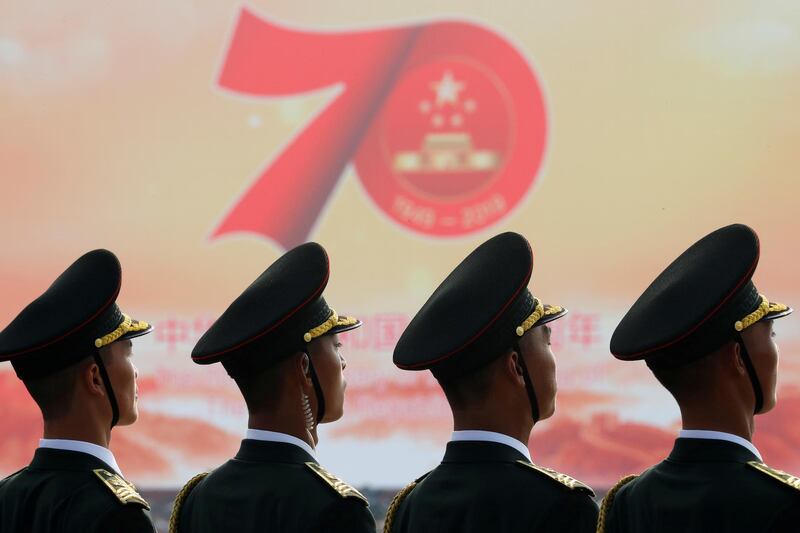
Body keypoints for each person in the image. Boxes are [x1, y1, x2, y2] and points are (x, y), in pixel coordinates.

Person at [385, 232, 598, 533]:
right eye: (547, 343)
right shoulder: (563, 507)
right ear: (517, 367)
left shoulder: (410, 507)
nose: (553, 360)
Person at [600, 223, 800, 532]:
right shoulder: (785, 505)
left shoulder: (628, 504)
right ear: (738, 358)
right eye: (770, 333)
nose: (775, 350)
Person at [169, 242, 376, 533]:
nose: (343, 363)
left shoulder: (199, 499)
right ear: (304, 369)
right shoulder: (336, 510)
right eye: (336, 346)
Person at [0, 249, 156, 532]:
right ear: (95, 378)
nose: (135, 372)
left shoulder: (7, 497)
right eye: (128, 355)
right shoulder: (117, 516)